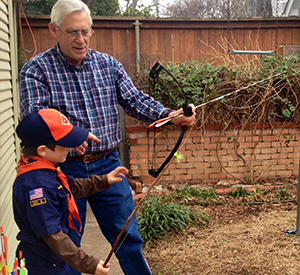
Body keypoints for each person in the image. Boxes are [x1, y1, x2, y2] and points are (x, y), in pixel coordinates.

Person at [19, 0, 196, 274]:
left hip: (109, 164)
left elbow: (135, 100)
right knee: (65, 247)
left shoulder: (107, 64)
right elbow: (37, 121)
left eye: (86, 31)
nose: (81, 40)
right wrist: (65, 139)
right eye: (72, 32)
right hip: (63, 169)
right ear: (54, 30)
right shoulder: (36, 70)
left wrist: (169, 114)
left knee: (128, 239)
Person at [13, 108, 129, 275]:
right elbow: (53, 235)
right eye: (64, 144)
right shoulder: (36, 186)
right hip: (44, 265)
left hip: (57, 260)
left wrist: (105, 180)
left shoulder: (45, 169)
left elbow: (70, 187)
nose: (71, 146)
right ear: (42, 150)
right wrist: (87, 264)